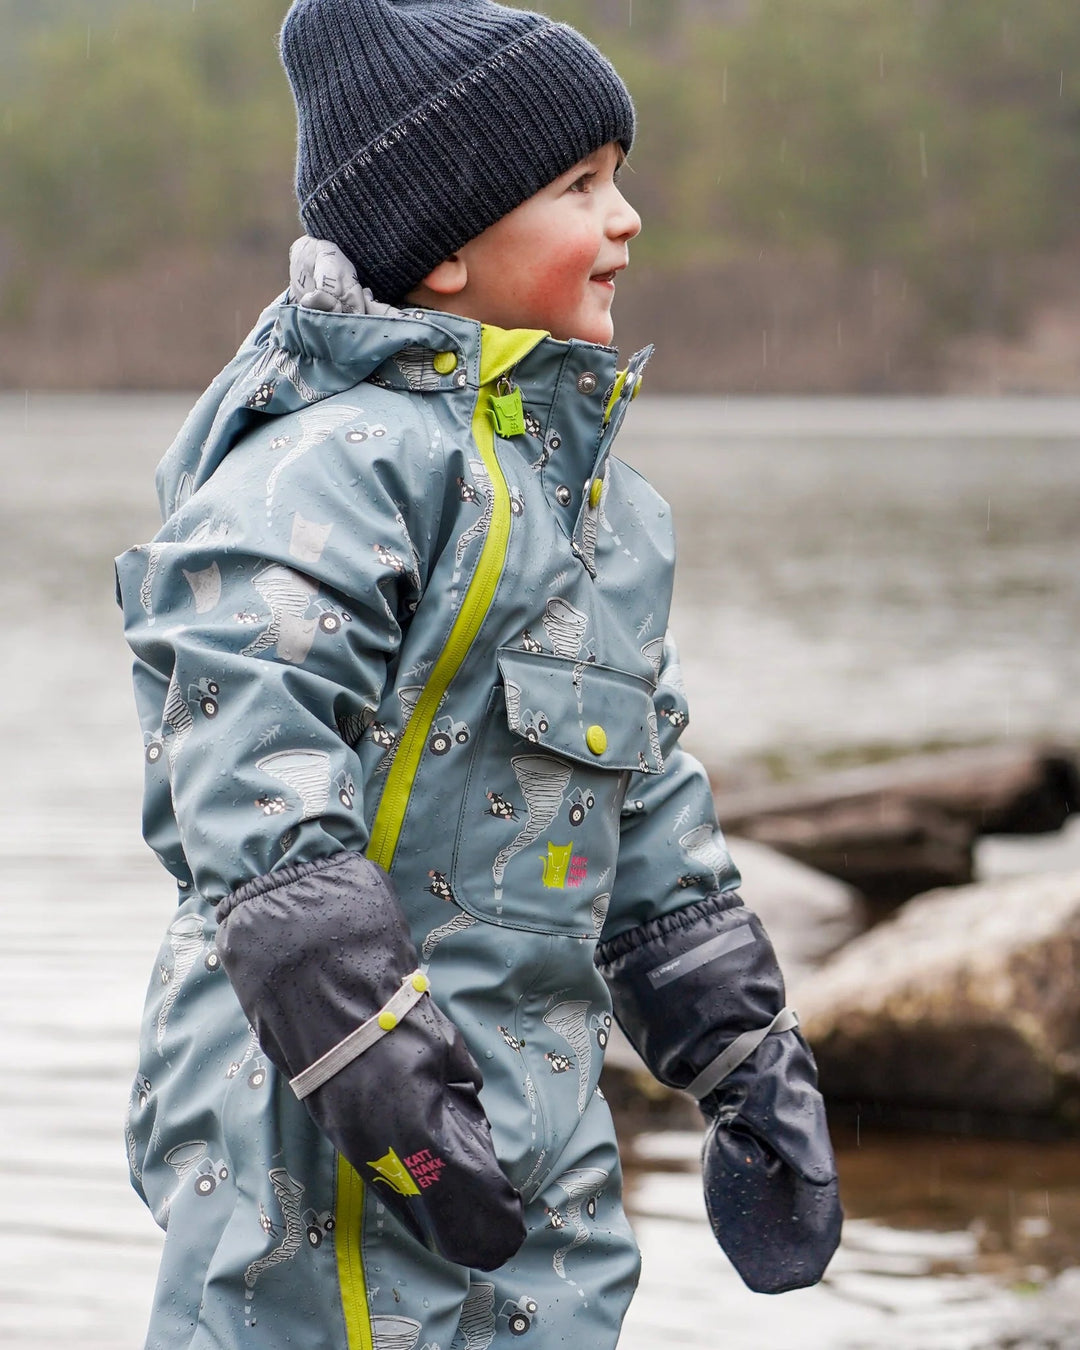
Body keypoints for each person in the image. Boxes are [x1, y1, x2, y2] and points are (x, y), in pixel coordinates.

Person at [116, 2, 842, 1347]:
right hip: (316, 1123)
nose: (626, 217)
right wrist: (371, 1065)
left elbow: (642, 798)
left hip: (540, 1116)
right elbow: (249, 767)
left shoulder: (605, 512)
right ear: (445, 249)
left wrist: (747, 1057)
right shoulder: (325, 468)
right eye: (580, 186)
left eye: (618, 178)